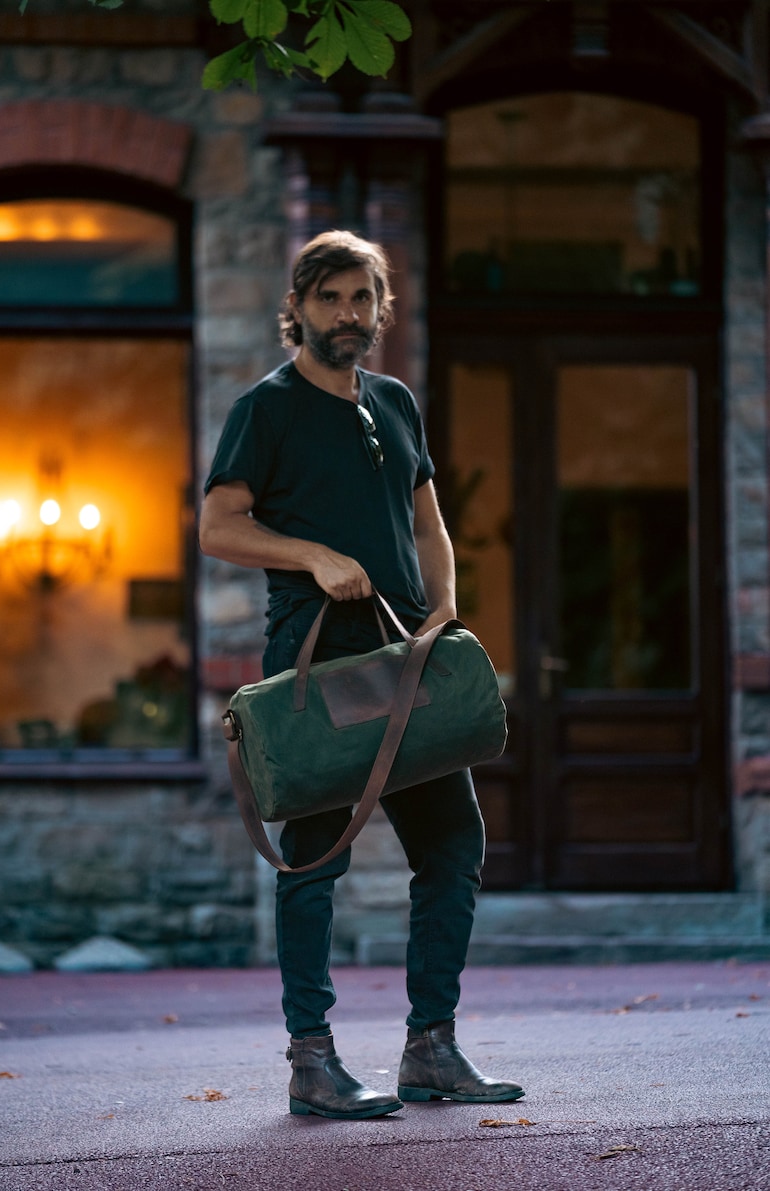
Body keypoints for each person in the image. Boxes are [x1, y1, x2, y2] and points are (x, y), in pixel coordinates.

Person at [199, 230, 524, 1119]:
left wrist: (443, 610)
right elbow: (218, 527)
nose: (348, 314)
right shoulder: (264, 410)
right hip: (317, 668)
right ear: (298, 306)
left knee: (453, 845)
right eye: (331, 297)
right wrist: (312, 555)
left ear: (381, 311)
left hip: (404, 664)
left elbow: (429, 520)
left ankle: (432, 1047)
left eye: (362, 299)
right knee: (311, 864)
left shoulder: (394, 402)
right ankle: (312, 1059)